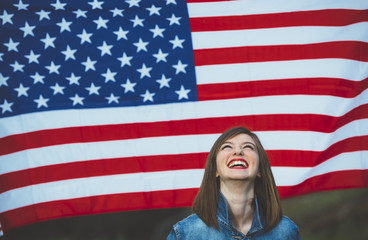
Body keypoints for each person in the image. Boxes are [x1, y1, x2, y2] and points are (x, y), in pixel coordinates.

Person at [167, 126, 301, 239]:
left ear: (260, 169)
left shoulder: (286, 231)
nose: (238, 151)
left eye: (248, 147)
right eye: (227, 147)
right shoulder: (185, 233)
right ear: (215, 170)